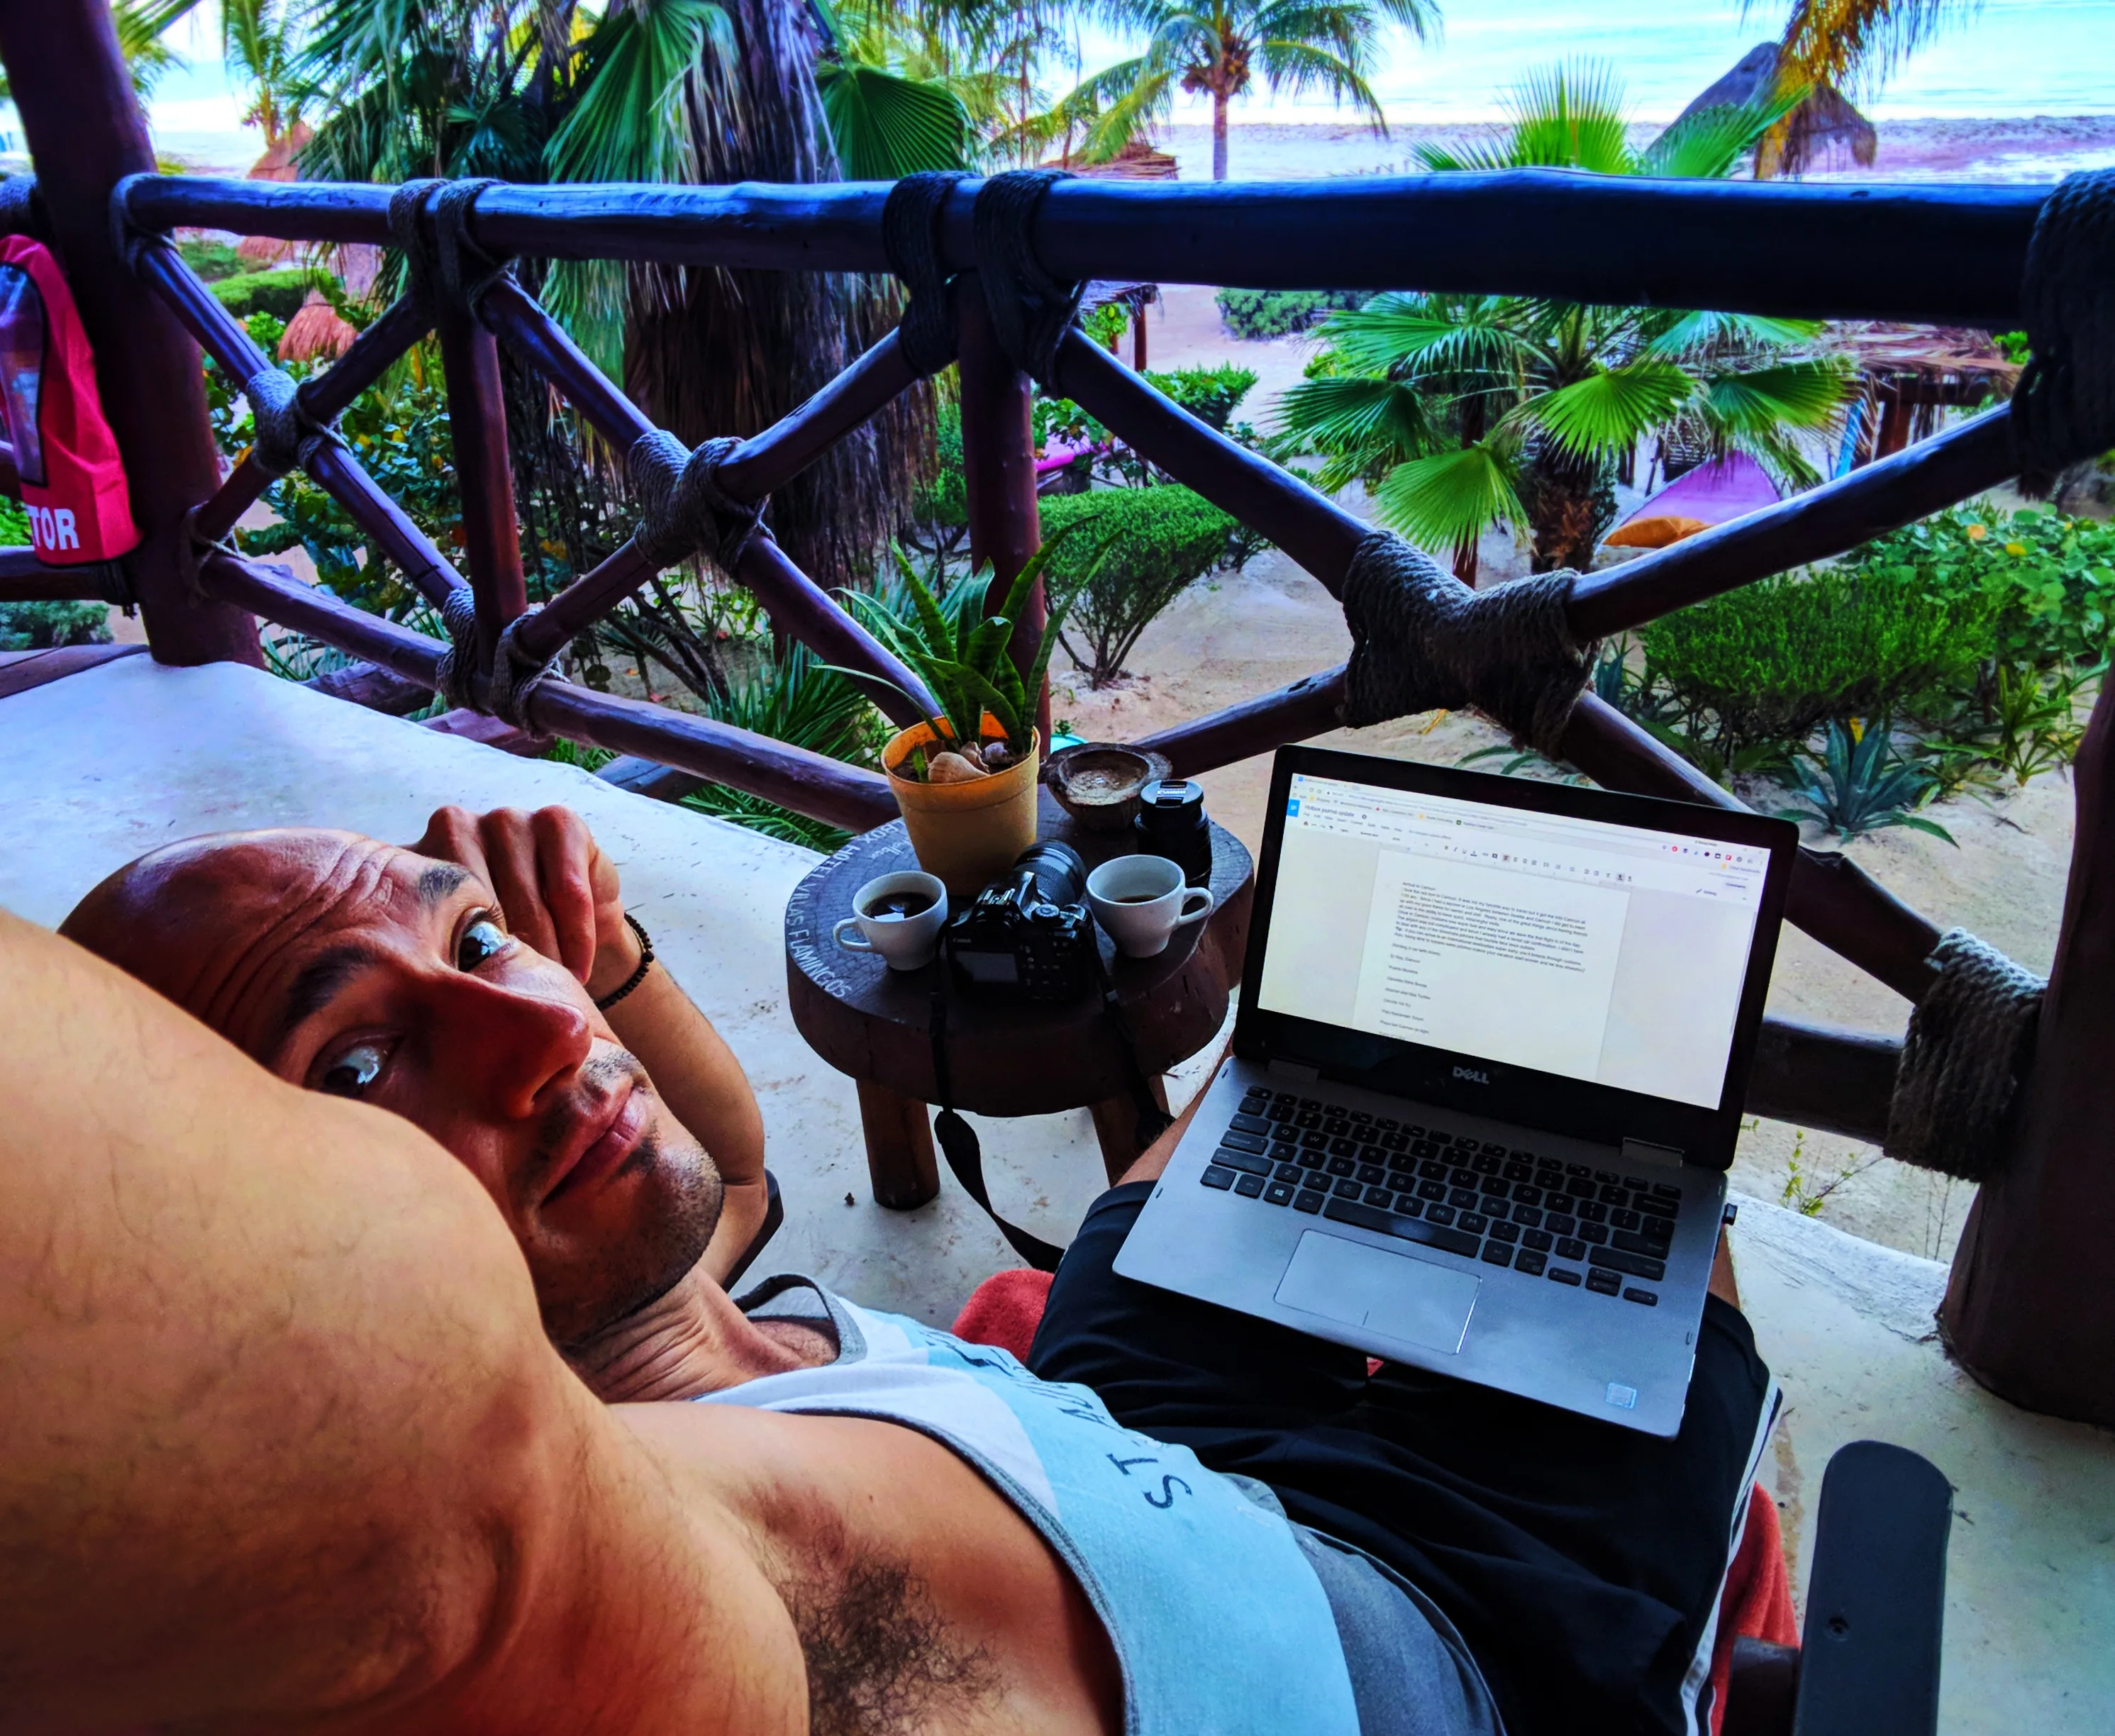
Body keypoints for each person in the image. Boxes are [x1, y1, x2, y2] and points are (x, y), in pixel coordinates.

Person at [45, 806, 1777, 1735]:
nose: (529, 1031)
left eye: (471, 936)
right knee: (1677, 1278)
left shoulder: (672, 1302)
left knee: (1227, 1123)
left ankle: (1308, 1105)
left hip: (1113, 1453)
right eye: (355, 1063)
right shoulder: (671, 1570)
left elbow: (729, 1164)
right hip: (1460, 1644)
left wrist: (605, 962)